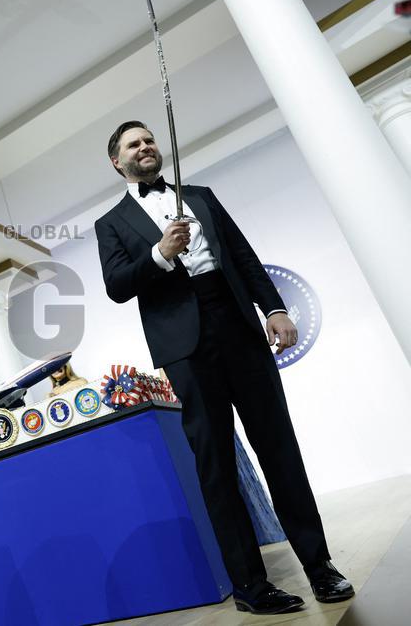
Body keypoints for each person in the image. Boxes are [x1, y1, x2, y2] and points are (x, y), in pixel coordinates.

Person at [94, 121, 354, 615]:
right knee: (216, 466)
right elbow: (117, 283)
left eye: (149, 139)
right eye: (133, 144)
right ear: (117, 162)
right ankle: (252, 589)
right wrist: (159, 254)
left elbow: (241, 254)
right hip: (184, 347)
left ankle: (321, 569)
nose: (145, 147)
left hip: (236, 323)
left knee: (279, 448)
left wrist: (273, 308)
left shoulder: (202, 195)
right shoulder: (111, 222)